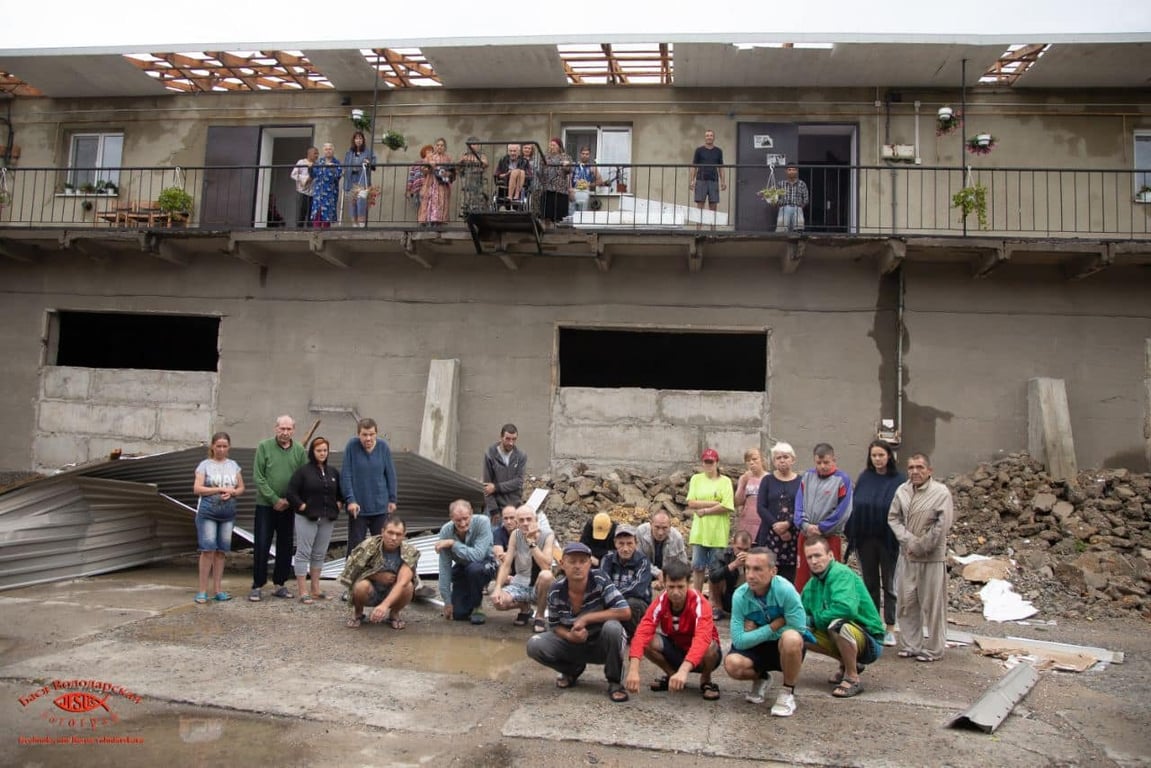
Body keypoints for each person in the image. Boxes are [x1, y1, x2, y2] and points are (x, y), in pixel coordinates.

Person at [526, 542, 632, 703]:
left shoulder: (600, 579)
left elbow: (625, 611)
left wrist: (586, 618)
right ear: (562, 564)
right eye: (572, 561)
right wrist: (569, 636)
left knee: (614, 628)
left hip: (600, 643)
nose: (578, 566)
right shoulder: (555, 590)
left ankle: (615, 681)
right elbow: (554, 626)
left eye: (583, 561)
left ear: (589, 564)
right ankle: (572, 669)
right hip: (573, 643)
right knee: (534, 644)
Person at [724, 548, 811, 716]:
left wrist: (757, 629)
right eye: (747, 568)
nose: (750, 575)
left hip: (780, 647)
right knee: (732, 664)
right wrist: (774, 625)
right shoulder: (740, 595)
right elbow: (739, 641)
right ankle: (761, 677)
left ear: (773, 571)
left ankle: (787, 693)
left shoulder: (786, 590)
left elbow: (799, 628)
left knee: (791, 638)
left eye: (757, 569)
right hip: (756, 647)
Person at [887, 453, 954, 662]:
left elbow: (942, 526)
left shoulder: (941, 493)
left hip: (931, 558)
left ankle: (934, 648)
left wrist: (921, 545)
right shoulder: (902, 490)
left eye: (920, 467)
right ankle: (910, 644)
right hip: (907, 557)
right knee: (906, 603)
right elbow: (893, 518)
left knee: (933, 605)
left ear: (929, 470)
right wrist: (908, 542)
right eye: (911, 467)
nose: (915, 471)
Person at [801, 534, 885, 699]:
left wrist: (813, 619)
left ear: (830, 555)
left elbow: (846, 610)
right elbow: (800, 612)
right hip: (845, 635)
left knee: (837, 624)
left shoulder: (840, 574)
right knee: (799, 632)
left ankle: (853, 678)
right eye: (809, 557)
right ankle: (849, 663)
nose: (813, 561)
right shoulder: (812, 584)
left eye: (817, 555)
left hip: (869, 640)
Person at [625, 560, 722, 701]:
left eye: (680, 587)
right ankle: (672, 676)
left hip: (704, 656)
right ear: (664, 584)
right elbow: (642, 633)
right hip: (678, 649)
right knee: (647, 641)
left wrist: (683, 670)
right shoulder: (660, 602)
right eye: (671, 587)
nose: (676, 592)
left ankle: (706, 679)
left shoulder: (700, 603)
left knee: (709, 645)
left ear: (689, 584)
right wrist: (633, 670)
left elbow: (702, 638)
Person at [847, 440, 905, 646]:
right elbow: (856, 503)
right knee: (869, 583)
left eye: (881, 455)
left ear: (889, 456)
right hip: (865, 539)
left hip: (889, 540)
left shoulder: (899, 479)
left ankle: (890, 626)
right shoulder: (865, 477)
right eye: (874, 456)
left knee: (889, 585)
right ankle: (873, 624)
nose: (878, 459)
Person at [249, 415, 306, 602]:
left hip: (288, 507)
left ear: (294, 430)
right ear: (276, 428)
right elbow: (259, 477)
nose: (285, 432)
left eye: (289, 429)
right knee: (262, 544)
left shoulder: (299, 450)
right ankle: (257, 585)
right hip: (266, 505)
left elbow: (302, 478)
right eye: (282, 429)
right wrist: (274, 498)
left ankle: (280, 584)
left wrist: (289, 500)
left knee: (285, 545)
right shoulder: (264, 447)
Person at [286, 436, 342, 604]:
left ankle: (316, 589)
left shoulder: (333, 472)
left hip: (327, 518)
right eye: (319, 450)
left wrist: (338, 504)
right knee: (304, 552)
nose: (322, 453)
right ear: (312, 452)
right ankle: (303, 591)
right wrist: (302, 506)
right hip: (307, 518)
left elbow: (340, 492)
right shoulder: (303, 472)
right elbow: (291, 492)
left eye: (325, 450)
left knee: (319, 554)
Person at [792, 442, 853, 592]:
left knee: (829, 575)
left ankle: (829, 610)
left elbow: (843, 511)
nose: (822, 466)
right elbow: (798, 504)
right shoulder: (807, 476)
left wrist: (821, 527)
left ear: (834, 460)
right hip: (806, 535)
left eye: (826, 462)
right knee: (803, 576)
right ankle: (803, 611)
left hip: (829, 536)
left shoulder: (842, 480)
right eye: (818, 463)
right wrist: (804, 525)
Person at [340, 516, 420, 629]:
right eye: (390, 533)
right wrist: (375, 576)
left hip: (393, 590)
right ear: (382, 532)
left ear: (404, 535)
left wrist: (384, 606)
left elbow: (402, 582)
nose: (393, 538)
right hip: (370, 589)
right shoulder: (368, 546)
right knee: (360, 586)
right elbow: (351, 573)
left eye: (398, 534)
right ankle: (358, 612)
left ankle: (394, 613)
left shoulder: (410, 552)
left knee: (408, 587)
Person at [192, 432, 244, 604]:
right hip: (208, 512)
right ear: (213, 446)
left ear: (229, 447)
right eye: (218, 446)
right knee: (208, 550)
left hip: (227, 513)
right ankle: (201, 591)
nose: (221, 449)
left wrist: (233, 492)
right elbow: (197, 488)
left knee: (221, 552)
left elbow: (241, 487)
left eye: (225, 446)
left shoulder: (234, 465)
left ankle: (218, 589)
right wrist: (219, 490)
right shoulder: (204, 465)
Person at [490, 505, 556, 633]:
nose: (525, 523)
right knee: (499, 602)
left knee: (546, 576)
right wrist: (498, 587)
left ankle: (540, 615)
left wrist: (531, 542)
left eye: (529, 519)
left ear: (535, 520)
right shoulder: (515, 535)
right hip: (521, 582)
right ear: (517, 523)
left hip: (539, 584)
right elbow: (506, 563)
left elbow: (546, 566)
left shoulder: (547, 535)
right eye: (521, 520)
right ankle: (524, 607)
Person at [340, 418, 398, 557]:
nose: (368, 438)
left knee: (381, 546)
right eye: (364, 435)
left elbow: (390, 474)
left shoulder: (383, 447)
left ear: (376, 434)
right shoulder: (352, 447)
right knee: (356, 547)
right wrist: (350, 500)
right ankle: (353, 577)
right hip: (358, 508)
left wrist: (392, 499)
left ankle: (380, 576)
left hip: (380, 506)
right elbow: (346, 475)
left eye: (371, 434)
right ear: (358, 434)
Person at [686, 448, 734, 610]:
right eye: (706, 462)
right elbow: (691, 502)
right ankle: (696, 600)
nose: (708, 465)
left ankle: (715, 603)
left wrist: (705, 510)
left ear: (717, 463)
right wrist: (715, 503)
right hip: (700, 531)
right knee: (698, 567)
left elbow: (728, 506)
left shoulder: (725, 481)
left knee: (716, 571)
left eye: (711, 462)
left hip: (718, 531)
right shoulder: (696, 479)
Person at [435, 499, 496, 624]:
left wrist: (453, 543)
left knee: (474, 570)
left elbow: (478, 556)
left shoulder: (483, 522)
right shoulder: (446, 531)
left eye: (465, 518)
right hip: (463, 566)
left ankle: (477, 606)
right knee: (458, 614)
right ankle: (467, 598)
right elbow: (444, 567)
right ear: (451, 517)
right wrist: (447, 602)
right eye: (458, 520)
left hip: (486, 564)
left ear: (472, 513)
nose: (463, 524)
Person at [757, 441, 801, 584]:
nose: (782, 460)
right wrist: (777, 526)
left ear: (793, 459)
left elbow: (803, 508)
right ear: (773, 461)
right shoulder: (767, 480)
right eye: (778, 458)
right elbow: (761, 507)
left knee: (789, 578)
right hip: (770, 535)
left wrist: (788, 524)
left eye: (785, 457)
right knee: (768, 574)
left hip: (792, 537)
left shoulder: (801, 482)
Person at [599, 524, 652, 634]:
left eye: (629, 543)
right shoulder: (607, 559)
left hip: (634, 605)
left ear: (636, 543)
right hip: (612, 603)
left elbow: (637, 589)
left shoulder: (643, 561)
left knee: (632, 604)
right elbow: (603, 584)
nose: (625, 549)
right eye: (621, 544)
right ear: (615, 543)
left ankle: (633, 636)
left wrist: (613, 596)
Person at [482, 423, 527, 521]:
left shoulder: (520, 456)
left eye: (514, 439)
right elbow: (487, 487)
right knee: (491, 534)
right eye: (508, 439)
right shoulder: (490, 454)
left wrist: (496, 487)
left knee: (518, 535)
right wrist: (494, 510)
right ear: (501, 437)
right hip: (496, 507)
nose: (511, 443)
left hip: (514, 506)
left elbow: (518, 482)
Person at [635, 510, 689, 589]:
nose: (660, 532)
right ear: (651, 524)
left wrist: (667, 579)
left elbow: (682, 564)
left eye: (664, 528)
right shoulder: (640, 532)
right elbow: (638, 559)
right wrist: (657, 573)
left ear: (670, 526)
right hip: (644, 571)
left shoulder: (677, 537)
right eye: (657, 527)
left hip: (668, 575)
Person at [708, 529, 752, 619]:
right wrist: (733, 565)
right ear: (733, 544)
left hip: (747, 595)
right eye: (739, 548)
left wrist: (752, 562)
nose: (742, 552)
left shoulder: (756, 555)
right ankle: (717, 607)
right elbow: (713, 577)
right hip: (728, 593)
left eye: (746, 549)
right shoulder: (722, 555)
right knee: (717, 576)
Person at [689, 129, 726, 229]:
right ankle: (698, 231)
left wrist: (723, 182)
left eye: (711, 135)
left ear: (713, 138)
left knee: (713, 207)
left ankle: (712, 232)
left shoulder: (718, 151)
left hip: (714, 181)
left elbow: (721, 167)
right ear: (705, 138)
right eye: (707, 136)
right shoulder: (699, 150)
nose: (709, 137)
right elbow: (693, 166)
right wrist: (692, 181)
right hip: (701, 180)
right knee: (700, 207)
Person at [343, 130, 377, 228]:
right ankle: (354, 224)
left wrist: (369, 162)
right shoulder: (349, 152)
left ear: (363, 140)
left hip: (362, 177)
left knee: (361, 199)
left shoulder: (368, 151)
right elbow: (345, 165)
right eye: (356, 138)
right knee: (352, 201)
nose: (358, 140)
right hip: (351, 178)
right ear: (353, 140)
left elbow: (374, 163)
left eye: (360, 138)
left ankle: (361, 224)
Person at [418, 137, 453, 227]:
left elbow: (453, 172)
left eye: (442, 145)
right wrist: (430, 166)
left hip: (442, 184)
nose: (439, 147)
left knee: (441, 202)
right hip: (431, 182)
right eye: (438, 145)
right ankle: (428, 221)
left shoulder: (448, 158)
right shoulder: (429, 157)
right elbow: (422, 170)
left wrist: (446, 173)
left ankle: (439, 222)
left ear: (445, 147)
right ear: (435, 146)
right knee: (429, 201)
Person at [734, 448, 767, 540]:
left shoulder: (769, 478)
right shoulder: (744, 478)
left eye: (755, 459)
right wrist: (742, 484)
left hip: (762, 522)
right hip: (747, 522)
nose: (751, 463)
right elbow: (738, 502)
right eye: (748, 461)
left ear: (762, 460)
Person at [539, 137, 573, 224]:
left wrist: (566, 166)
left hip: (560, 188)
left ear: (559, 146)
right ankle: (547, 227)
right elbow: (541, 171)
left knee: (559, 213)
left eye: (554, 145)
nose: (551, 147)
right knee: (547, 213)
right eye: (550, 145)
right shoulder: (545, 157)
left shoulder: (565, 157)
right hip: (547, 187)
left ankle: (557, 228)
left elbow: (570, 170)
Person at [309, 142, 341, 227]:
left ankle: (326, 236)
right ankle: (315, 236)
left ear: (333, 150)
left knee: (327, 217)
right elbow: (313, 175)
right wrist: (310, 168)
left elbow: (338, 176)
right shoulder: (319, 162)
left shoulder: (337, 163)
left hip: (330, 194)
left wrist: (331, 168)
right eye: (326, 149)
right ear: (323, 151)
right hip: (319, 193)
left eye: (330, 149)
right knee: (317, 216)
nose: (328, 151)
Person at [457, 137, 490, 216]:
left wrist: (472, 160)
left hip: (478, 183)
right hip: (467, 183)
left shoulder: (481, 155)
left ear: (478, 146)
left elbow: (485, 163)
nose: (472, 146)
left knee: (479, 204)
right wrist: (461, 161)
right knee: (466, 204)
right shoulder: (464, 155)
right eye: (471, 144)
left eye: (475, 144)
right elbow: (457, 167)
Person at [775, 163, 810, 232]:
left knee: (798, 231)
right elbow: (776, 198)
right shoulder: (781, 184)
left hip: (797, 208)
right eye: (789, 170)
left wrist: (799, 207)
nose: (791, 171)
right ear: (786, 171)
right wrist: (779, 204)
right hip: (784, 207)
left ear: (797, 171)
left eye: (794, 170)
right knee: (781, 231)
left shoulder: (802, 184)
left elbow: (806, 199)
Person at [289, 146, 318, 228]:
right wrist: (304, 178)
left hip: (313, 193)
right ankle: (298, 232)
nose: (317, 155)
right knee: (301, 214)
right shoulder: (301, 162)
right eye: (315, 153)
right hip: (302, 192)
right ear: (309, 154)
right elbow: (293, 174)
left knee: (311, 216)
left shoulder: (317, 164)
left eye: (317, 154)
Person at [406, 144, 434, 217]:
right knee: (420, 209)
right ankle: (422, 226)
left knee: (429, 209)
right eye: (427, 151)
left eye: (431, 151)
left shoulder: (433, 163)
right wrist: (408, 190)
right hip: (417, 189)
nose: (429, 153)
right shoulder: (417, 163)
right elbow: (411, 177)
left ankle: (428, 226)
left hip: (429, 189)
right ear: (423, 152)